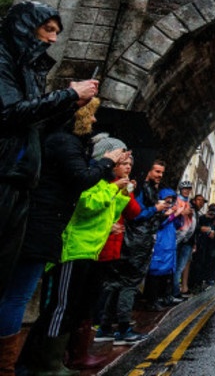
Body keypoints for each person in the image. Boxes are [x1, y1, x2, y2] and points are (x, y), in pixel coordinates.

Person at [0, 101, 123, 374]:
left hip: (74, 243)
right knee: (30, 300)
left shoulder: (57, 142)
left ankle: (32, 362)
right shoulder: (65, 144)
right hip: (66, 241)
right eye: (90, 114)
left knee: (51, 302)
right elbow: (83, 188)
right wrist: (107, 164)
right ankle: (36, 363)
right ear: (76, 114)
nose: (93, 122)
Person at [0, 1, 98, 306]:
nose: (53, 39)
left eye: (57, 31)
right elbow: (8, 113)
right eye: (48, 29)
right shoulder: (4, 61)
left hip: (17, 183)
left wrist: (69, 105)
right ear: (25, 27)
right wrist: (68, 94)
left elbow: (35, 127)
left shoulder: (28, 68)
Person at [22, 135, 132, 375]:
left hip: (89, 251)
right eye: (122, 157)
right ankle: (47, 364)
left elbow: (109, 214)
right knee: (61, 307)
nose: (126, 162)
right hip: (73, 249)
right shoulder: (92, 177)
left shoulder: (105, 181)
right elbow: (86, 205)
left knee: (73, 307)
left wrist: (120, 193)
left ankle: (61, 358)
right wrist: (114, 188)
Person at [105, 159, 167, 344]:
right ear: (148, 171)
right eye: (156, 171)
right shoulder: (138, 188)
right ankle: (123, 329)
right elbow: (136, 213)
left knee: (117, 283)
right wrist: (155, 209)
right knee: (129, 284)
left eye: (162, 172)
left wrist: (158, 213)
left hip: (136, 240)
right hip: (135, 241)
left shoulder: (146, 188)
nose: (159, 175)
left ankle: (106, 327)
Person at [94, 153, 141, 343]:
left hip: (115, 242)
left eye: (130, 164)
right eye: (123, 164)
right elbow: (95, 207)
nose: (128, 167)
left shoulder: (122, 186)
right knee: (103, 287)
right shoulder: (103, 183)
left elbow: (133, 212)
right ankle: (100, 326)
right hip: (100, 241)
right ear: (112, 165)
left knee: (111, 284)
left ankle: (104, 328)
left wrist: (126, 192)